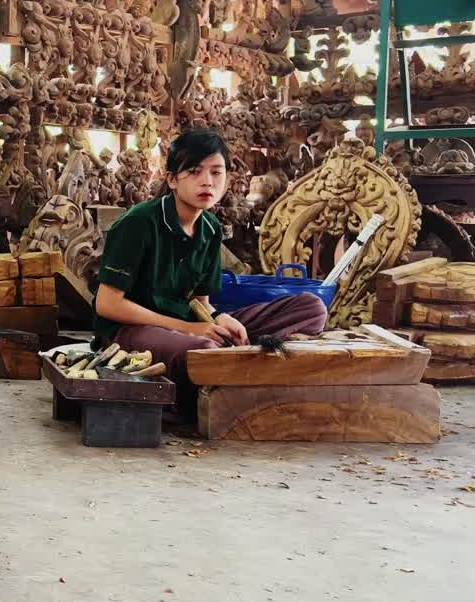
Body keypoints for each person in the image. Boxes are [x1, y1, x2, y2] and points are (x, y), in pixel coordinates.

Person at [93, 129, 328, 421]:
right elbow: (107, 304)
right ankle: (231, 366)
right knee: (204, 349)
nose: (207, 181)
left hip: (186, 326)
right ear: (172, 179)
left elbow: (200, 302)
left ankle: (231, 358)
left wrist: (218, 318)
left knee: (311, 307)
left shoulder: (210, 228)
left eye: (216, 172)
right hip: (130, 331)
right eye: (194, 171)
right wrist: (187, 329)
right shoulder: (138, 223)